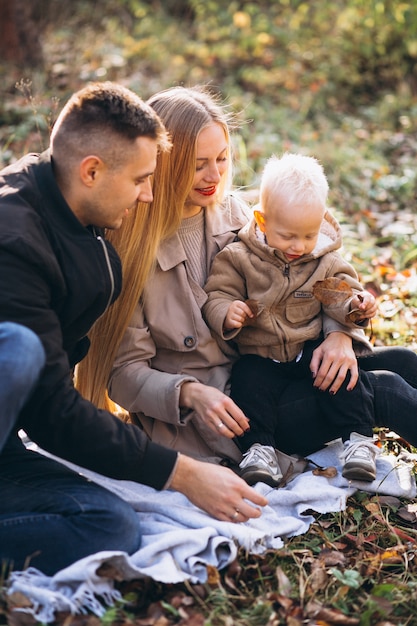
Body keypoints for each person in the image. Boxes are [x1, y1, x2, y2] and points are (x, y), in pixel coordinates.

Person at [78, 85, 417, 487]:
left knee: (401, 360)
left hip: (275, 369)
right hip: (228, 415)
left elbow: (312, 274)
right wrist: (189, 394)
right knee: (385, 391)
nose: (214, 175)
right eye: (197, 163)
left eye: (221, 159)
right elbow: (121, 373)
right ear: (161, 162)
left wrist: (340, 334)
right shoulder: (130, 250)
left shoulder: (238, 214)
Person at [0, 81, 268, 576]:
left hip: (8, 438)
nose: (149, 193)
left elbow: (45, 408)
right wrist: (181, 474)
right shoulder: (15, 243)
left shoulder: (78, 218)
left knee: (112, 527)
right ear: (92, 171)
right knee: (17, 349)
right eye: (142, 179)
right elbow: (53, 409)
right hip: (23, 397)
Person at [203, 153, 380, 486]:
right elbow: (216, 295)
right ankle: (260, 450)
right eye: (288, 236)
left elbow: (340, 297)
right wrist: (228, 312)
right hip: (261, 356)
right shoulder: (239, 258)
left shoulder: (322, 260)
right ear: (263, 221)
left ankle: (357, 439)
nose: (299, 246)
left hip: (307, 348)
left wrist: (357, 306)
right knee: (246, 381)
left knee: (339, 372)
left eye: (309, 235)